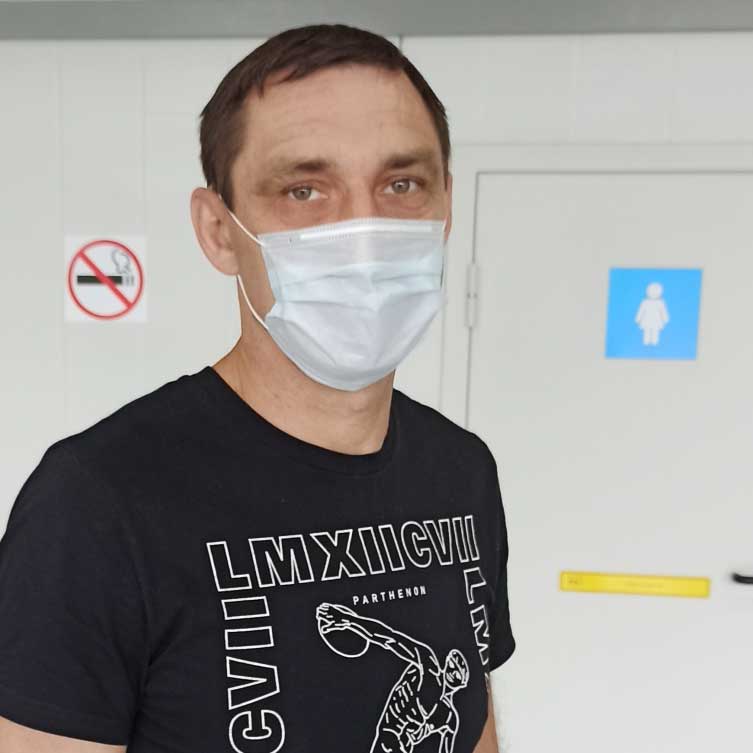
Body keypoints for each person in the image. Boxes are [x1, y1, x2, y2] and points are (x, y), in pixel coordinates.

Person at [0, 23, 515, 753]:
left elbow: (472, 719)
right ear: (219, 230)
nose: (363, 231)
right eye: (304, 189)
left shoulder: (460, 469)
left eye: (401, 184)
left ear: (445, 208)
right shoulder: (98, 501)